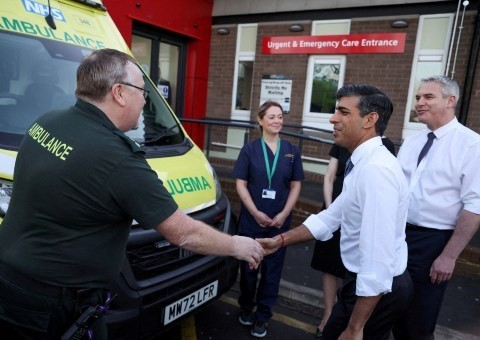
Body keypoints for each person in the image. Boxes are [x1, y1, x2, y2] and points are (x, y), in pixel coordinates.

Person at [0, 48, 264, 339]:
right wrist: (238, 245)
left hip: (11, 285)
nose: (145, 99)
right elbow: (183, 233)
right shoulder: (118, 157)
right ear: (119, 93)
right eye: (142, 90)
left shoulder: (45, 122)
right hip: (55, 305)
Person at [258, 84, 413, 340]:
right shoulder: (364, 162)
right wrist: (280, 240)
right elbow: (331, 218)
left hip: (375, 292)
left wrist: (354, 329)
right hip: (367, 288)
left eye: (343, 112)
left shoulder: (376, 171)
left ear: (369, 120)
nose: (332, 118)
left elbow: (378, 261)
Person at [393, 75, 480, 340]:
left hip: (433, 242)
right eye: (418, 97)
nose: (419, 102)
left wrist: (449, 256)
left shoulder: (472, 145)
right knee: (390, 311)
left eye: (428, 97)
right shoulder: (412, 142)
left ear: (450, 101)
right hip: (398, 235)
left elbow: (475, 205)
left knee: (418, 322)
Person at [310, 137, 395, 338]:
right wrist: (332, 210)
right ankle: (328, 314)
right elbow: (329, 177)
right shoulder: (342, 141)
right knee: (329, 265)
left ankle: (348, 318)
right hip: (335, 209)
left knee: (349, 268)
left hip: (360, 217)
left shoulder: (385, 146)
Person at [233, 101, 304, 338]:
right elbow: (241, 184)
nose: (277, 121)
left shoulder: (292, 150)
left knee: (272, 273)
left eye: (280, 116)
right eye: (271, 116)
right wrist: (254, 212)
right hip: (252, 222)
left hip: (278, 224)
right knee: (249, 270)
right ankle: (245, 306)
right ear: (261, 120)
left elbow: (295, 186)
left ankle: (262, 317)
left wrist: (283, 214)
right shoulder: (249, 150)